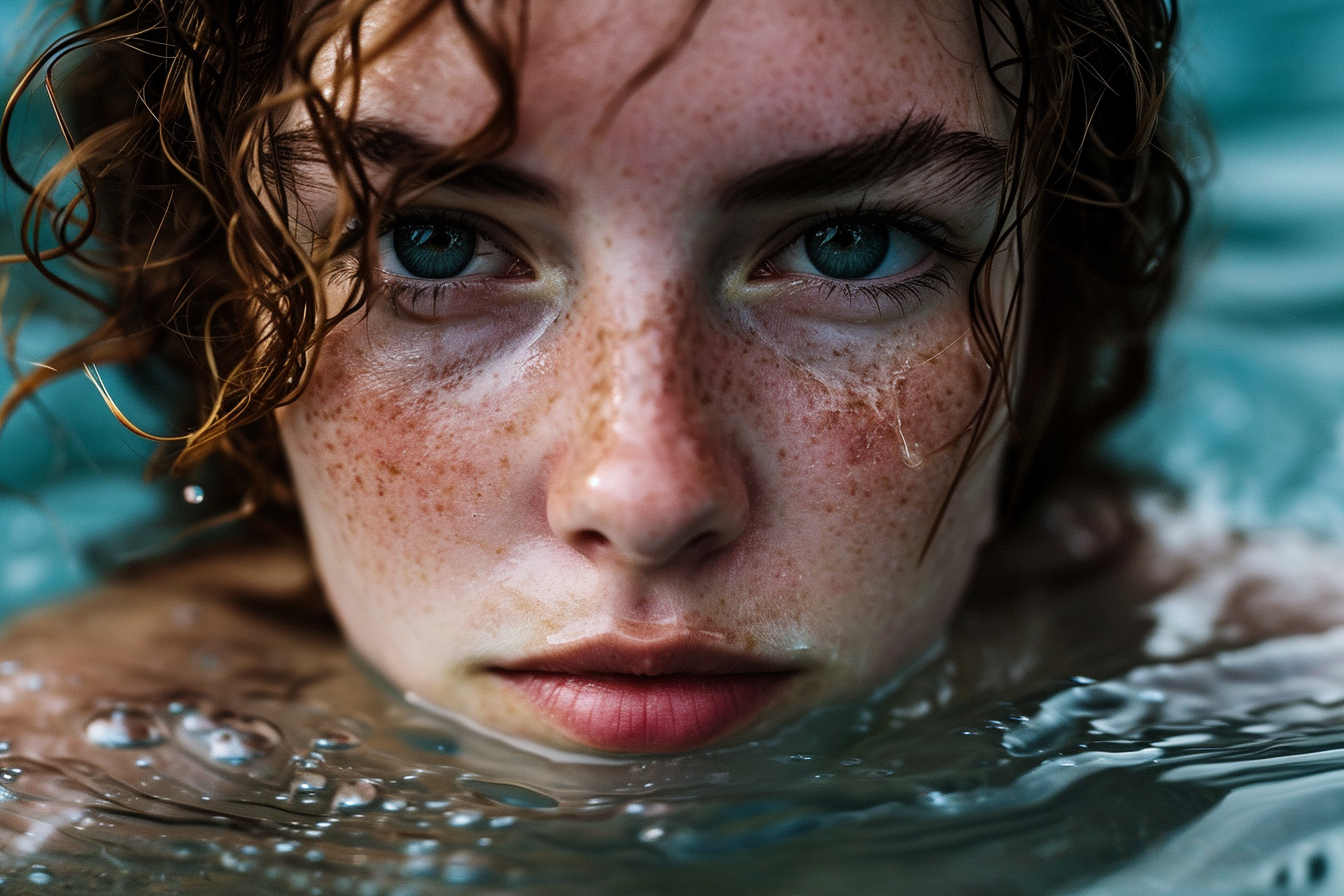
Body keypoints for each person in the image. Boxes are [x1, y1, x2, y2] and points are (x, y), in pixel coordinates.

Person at [0, 0, 1189, 767]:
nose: (647, 497)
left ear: (1051, 301)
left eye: (850, 245)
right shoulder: (50, 776)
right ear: (226, 286)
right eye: (436, 244)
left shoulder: (1282, 698)